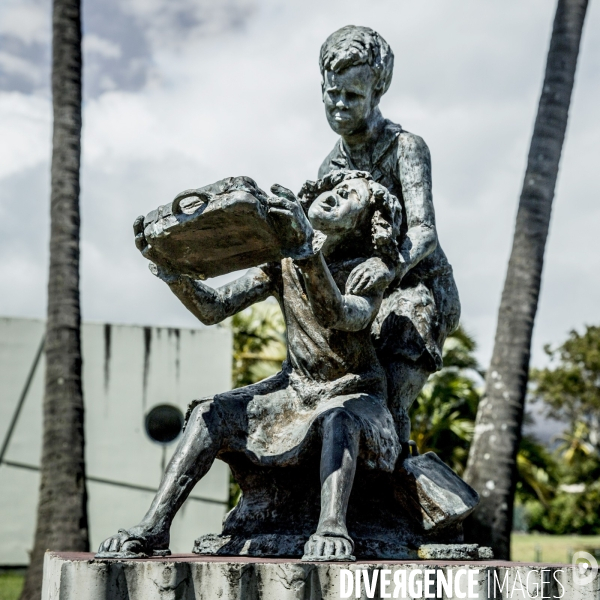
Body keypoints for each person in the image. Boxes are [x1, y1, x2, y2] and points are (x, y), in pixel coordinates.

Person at [97, 171, 403, 562]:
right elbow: (215, 308)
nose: (331, 197)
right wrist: (171, 271)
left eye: (348, 198)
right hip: (297, 390)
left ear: (362, 224)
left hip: (355, 394)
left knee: (338, 418)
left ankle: (331, 527)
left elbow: (341, 315)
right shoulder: (283, 260)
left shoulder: (366, 270)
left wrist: (305, 250)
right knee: (211, 413)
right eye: (332, 189)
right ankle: (154, 526)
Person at [308, 25, 461, 441]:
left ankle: (396, 441)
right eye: (332, 94)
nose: (339, 105)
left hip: (418, 286)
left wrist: (388, 264)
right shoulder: (330, 168)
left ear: (376, 93)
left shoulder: (405, 147)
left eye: (353, 97)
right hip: (360, 288)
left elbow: (424, 231)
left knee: (387, 407)